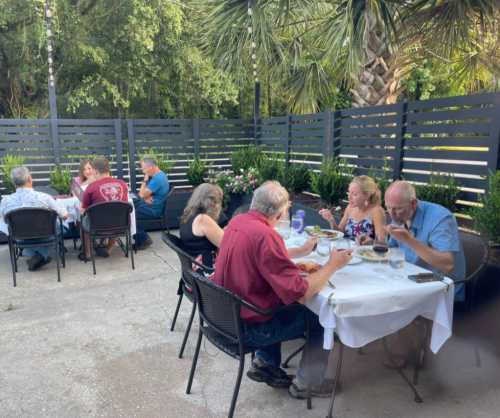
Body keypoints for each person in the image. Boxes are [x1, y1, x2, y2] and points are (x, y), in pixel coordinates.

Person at [213, 181, 352, 398]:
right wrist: (333, 265)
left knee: (275, 296)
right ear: (278, 213)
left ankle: (265, 362)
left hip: (226, 317)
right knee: (321, 316)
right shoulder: (266, 235)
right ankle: (308, 384)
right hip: (248, 328)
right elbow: (302, 292)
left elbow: (261, 256)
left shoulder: (238, 221)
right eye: (287, 208)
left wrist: (301, 251)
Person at [383, 180, 466, 367]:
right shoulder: (398, 214)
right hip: (411, 275)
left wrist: (409, 240)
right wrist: (376, 244)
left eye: (397, 209)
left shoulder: (440, 217)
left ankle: (410, 346)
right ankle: (398, 340)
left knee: (397, 298)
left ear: (413, 203)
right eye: (388, 208)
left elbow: (447, 264)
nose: (392, 214)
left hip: (441, 283)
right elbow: (392, 250)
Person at [0, 166, 68, 271]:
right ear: (30, 179)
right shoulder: (45, 197)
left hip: (20, 236)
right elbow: (64, 215)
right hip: (46, 235)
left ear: (14, 183)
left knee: (13, 229)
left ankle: (33, 254)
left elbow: (4, 221)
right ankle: (42, 254)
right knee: (62, 228)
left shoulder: (5, 201)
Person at [80, 158, 129, 259]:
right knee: (115, 215)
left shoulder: (91, 187)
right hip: (120, 226)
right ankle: (108, 249)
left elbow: (83, 210)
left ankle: (88, 254)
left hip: (98, 227)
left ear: (96, 171)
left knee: (82, 222)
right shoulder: (123, 184)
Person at [319, 175, 386, 243]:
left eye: (354, 194)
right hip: (345, 249)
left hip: (363, 252)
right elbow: (339, 233)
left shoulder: (377, 211)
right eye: (349, 192)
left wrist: (370, 242)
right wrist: (331, 220)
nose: (349, 197)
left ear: (367, 195)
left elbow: (381, 241)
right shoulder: (350, 208)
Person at [179, 183, 224, 267]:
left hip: (194, 266)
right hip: (208, 269)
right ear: (211, 202)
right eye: (218, 201)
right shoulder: (203, 219)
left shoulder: (188, 214)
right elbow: (227, 245)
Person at [133, 157, 170, 250]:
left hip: (154, 209)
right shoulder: (161, 175)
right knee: (133, 206)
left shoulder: (157, 179)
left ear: (150, 167)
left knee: (130, 214)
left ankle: (144, 239)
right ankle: (141, 238)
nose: (143, 171)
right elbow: (144, 195)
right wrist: (146, 197)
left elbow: (141, 194)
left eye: (143, 168)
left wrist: (145, 180)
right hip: (154, 205)